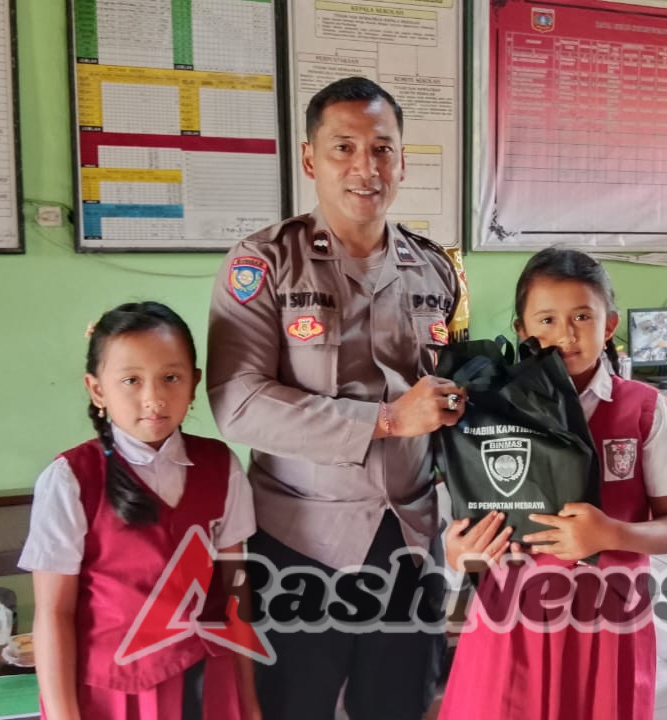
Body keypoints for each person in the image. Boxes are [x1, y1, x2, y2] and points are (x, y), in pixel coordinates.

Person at [206, 76, 466, 720]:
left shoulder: (435, 270)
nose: (365, 168)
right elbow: (236, 401)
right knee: (296, 706)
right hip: (301, 540)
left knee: (401, 703)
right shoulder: (264, 263)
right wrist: (383, 419)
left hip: (408, 535)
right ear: (309, 160)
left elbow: (449, 401)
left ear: (402, 161)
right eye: (344, 147)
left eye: (382, 149)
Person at [437, 248, 667, 720]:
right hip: (512, 613)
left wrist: (611, 534)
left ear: (609, 324)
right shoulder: (488, 407)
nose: (566, 334)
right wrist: (455, 549)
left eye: (582, 316)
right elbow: (460, 520)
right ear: (521, 329)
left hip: (607, 612)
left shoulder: (643, 406)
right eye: (547, 320)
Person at [20, 301, 259, 720]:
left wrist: (249, 698)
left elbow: (234, 590)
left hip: (208, 678)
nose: (154, 398)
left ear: (193, 384)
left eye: (171, 378)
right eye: (131, 380)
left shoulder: (221, 466)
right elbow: (54, 613)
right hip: (115, 690)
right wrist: (63, 714)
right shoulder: (70, 478)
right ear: (98, 390)